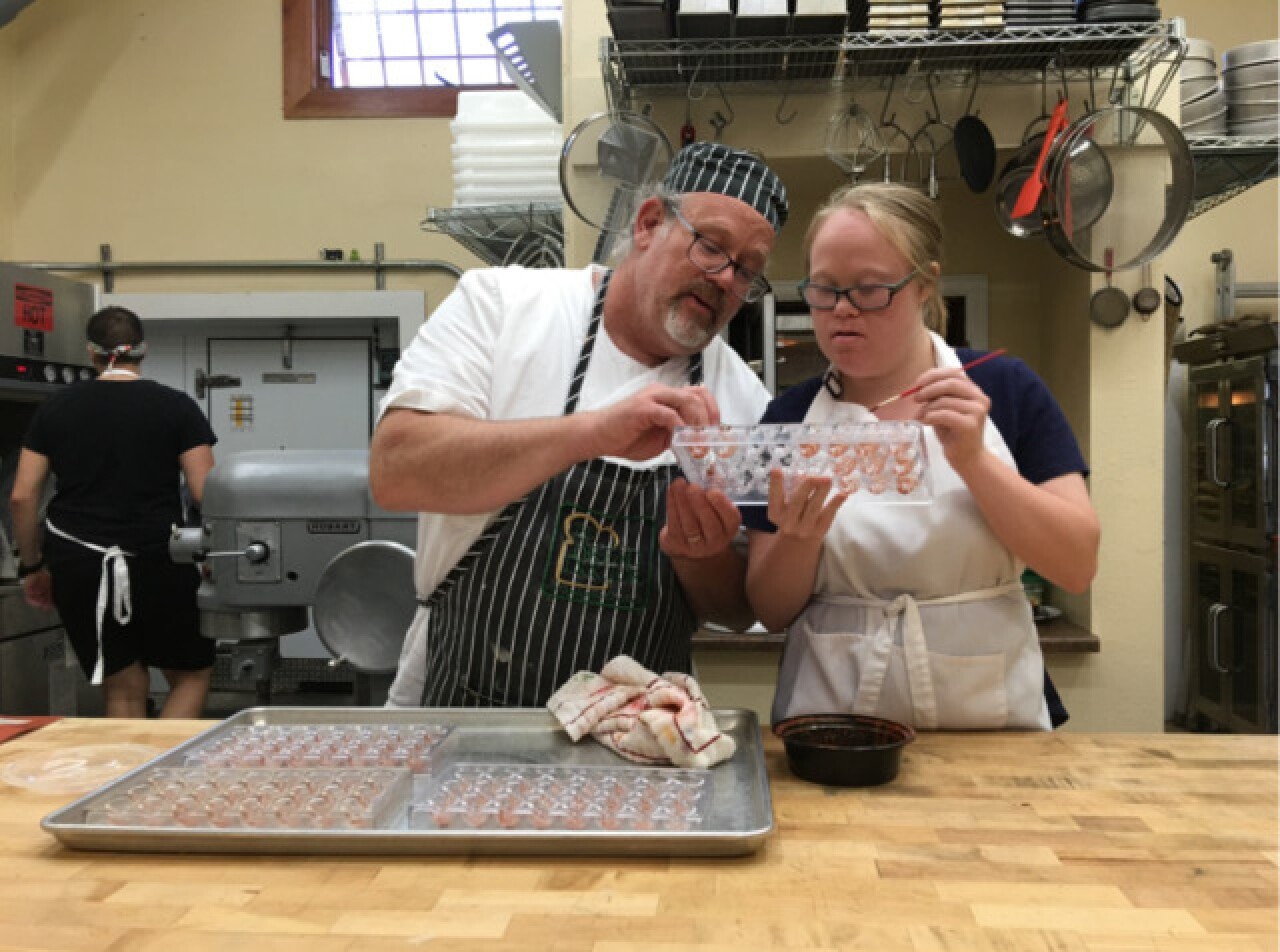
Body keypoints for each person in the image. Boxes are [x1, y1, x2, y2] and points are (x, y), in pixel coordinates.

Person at [371, 141, 789, 708]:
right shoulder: (502, 307)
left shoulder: (742, 400)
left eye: (747, 271)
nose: (724, 279)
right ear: (648, 223)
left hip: (642, 735)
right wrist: (590, 433)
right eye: (711, 247)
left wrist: (700, 555)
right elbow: (397, 470)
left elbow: (736, 611)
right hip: (473, 709)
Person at [745, 182, 1100, 730]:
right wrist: (798, 537)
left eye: (869, 289)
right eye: (823, 289)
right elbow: (770, 612)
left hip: (988, 717)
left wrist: (975, 463)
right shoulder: (790, 418)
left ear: (924, 285)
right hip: (830, 722)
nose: (842, 311)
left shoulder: (1003, 389)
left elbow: (1076, 565)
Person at [9, 306, 217, 718]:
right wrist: (213, 553)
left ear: (91, 353)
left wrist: (32, 567)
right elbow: (205, 492)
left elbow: (22, 496)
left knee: (123, 688)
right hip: (160, 556)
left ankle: (129, 777)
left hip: (80, 562)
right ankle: (162, 775)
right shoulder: (176, 407)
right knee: (191, 674)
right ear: (143, 351)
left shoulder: (55, 408)